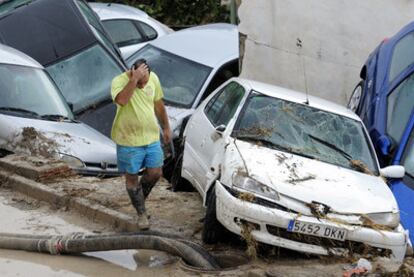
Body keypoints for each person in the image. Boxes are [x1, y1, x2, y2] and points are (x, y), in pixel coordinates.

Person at [111, 59, 171, 229]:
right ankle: (141, 213)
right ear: (132, 72)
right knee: (131, 177)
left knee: (156, 172)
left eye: (146, 82)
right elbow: (121, 100)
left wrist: (166, 127)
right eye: (141, 83)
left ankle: (139, 202)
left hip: (151, 137)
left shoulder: (153, 79)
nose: (143, 86)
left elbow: (158, 105)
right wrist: (134, 81)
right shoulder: (119, 81)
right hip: (128, 140)